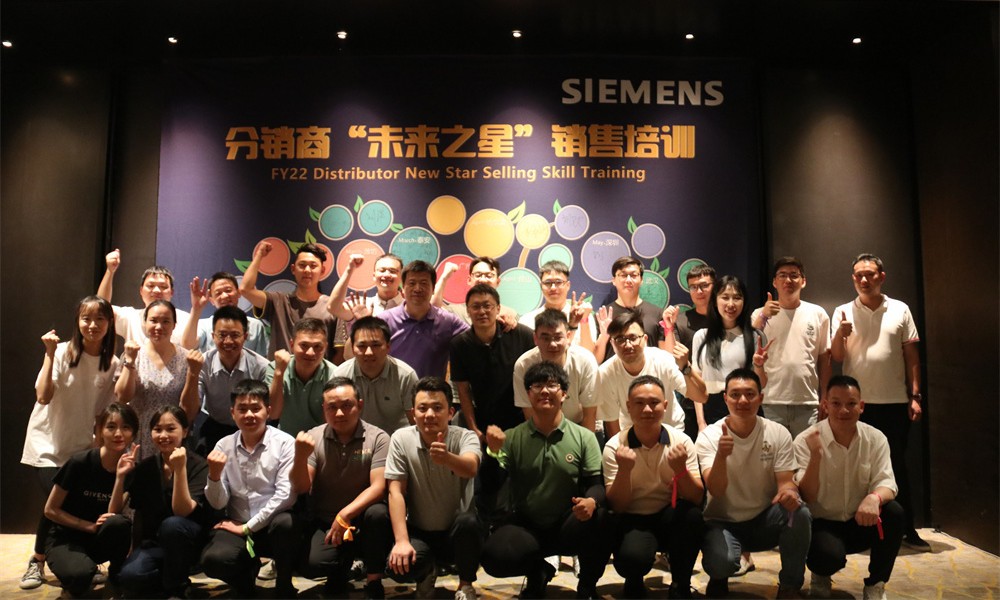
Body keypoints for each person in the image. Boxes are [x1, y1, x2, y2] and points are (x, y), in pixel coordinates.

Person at [481, 362, 610, 599]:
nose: (544, 391)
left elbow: (596, 484)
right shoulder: (512, 437)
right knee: (494, 557)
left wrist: (591, 501)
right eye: (537, 386)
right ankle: (537, 571)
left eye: (552, 385)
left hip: (569, 522)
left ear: (564, 394)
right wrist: (492, 453)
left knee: (601, 518)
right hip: (527, 524)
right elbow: (491, 484)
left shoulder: (584, 437)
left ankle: (587, 586)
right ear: (528, 394)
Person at [19, 296, 120, 591]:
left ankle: (78, 558)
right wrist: (49, 354)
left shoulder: (111, 363)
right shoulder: (62, 352)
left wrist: (99, 450)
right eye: (86, 318)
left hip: (80, 448)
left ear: (109, 323)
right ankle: (37, 560)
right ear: (77, 321)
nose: (93, 325)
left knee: (70, 504)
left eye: (100, 319)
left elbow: (103, 413)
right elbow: (43, 396)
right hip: (47, 444)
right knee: (56, 501)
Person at [831, 253, 928, 551]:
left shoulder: (900, 309)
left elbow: (911, 356)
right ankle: (860, 530)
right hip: (855, 406)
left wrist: (915, 396)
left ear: (881, 276)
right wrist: (840, 335)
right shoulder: (842, 311)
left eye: (870, 274)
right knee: (856, 467)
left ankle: (906, 529)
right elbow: (837, 357)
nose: (864, 279)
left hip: (894, 402)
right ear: (853, 279)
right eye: (859, 275)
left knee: (895, 465)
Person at [695, 368, 811, 598]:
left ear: (761, 398)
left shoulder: (777, 433)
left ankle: (789, 586)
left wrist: (789, 493)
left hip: (764, 519)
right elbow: (716, 490)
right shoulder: (709, 436)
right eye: (735, 394)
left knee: (799, 512)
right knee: (721, 563)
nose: (743, 400)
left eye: (750, 394)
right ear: (725, 398)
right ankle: (718, 578)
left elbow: (786, 483)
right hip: (722, 521)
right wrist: (721, 456)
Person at [794, 376, 903, 600]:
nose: (843, 410)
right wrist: (816, 456)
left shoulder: (875, 438)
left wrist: (874, 498)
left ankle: (876, 584)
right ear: (825, 406)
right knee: (826, 556)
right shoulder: (806, 440)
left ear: (861, 406)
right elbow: (808, 495)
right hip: (823, 524)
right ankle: (820, 574)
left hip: (861, 520)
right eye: (836, 403)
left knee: (894, 513)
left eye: (851, 403)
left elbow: (887, 483)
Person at [603, 376, 705, 599]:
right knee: (632, 560)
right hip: (633, 518)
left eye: (654, 402)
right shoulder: (615, 446)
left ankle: (680, 584)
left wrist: (680, 470)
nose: (647, 409)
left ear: (665, 405)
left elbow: (697, 497)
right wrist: (624, 471)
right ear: (628, 406)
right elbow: (617, 506)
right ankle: (634, 580)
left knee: (693, 517)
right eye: (639, 403)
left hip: (669, 515)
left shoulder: (681, 441)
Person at [290, 377, 391, 598]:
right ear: (323, 409)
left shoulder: (378, 438)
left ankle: (374, 581)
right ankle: (341, 571)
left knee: (378, 513)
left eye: (347, 405)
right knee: (312, 565)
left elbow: (379, 488)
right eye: (332, 407)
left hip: (363, 520)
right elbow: (301, 487)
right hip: (326, 521)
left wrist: (345, 514)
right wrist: (299, 457)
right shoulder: (313, 437)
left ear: (360, 405)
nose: (339, 413)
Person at [384, 377, 483, 600]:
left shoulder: (465, 436)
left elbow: (471, 467)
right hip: (420, 531)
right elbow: (395, 491)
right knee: (397, 567)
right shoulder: (401, 438)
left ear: (450, 412)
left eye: (438, 408)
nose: (429, 414)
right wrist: (401, 541)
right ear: (413, 413)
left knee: (469, 522)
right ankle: (427, 572)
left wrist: (447, 458)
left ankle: (465, 585)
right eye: (423, 408)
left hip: (457, 533)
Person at [200, 379, 298, 597]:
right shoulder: (223, 445)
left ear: (268, 411)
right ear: (232, 413)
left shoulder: (285, 443)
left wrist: (248, 527)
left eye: (256, 408)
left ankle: (284, 582)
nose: (249, 415)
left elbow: (286, 495)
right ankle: (246, 580)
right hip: (237, 522)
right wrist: (214, 475)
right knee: (213, 560)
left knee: (287, 523)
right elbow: (218, 503)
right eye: (242, 409)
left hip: (272, 525)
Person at [111, 406, 216, 598]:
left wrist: (180, 469)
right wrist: (120, 478)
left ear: (185, 431)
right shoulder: (145, 467)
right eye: (157, 429)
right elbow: (123, 512)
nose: (163, 435)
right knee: (130, 577)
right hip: (155, 544)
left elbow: (182, 511)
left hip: (189, 543)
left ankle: (177, 586)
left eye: (171, 429)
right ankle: (166, 579)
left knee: (172, 525)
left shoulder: (199, 465)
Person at [42, 403, 136, 597]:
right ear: (100, 431)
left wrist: (119, 478)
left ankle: (116, 574)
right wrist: (88, 526)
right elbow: (50, 510)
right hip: (65, 539)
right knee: (79, 576)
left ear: (133, 434)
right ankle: (81, 570)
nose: (118, 433)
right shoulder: (79, 462)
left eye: (126, 427)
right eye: (111, 427)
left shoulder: (130, 469)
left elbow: (113, 514)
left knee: (119, 523)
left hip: (97, 539)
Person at [751, 257, 832, 438]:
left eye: (794, 275)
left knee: (806, 453)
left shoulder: (817, 314)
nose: (788, 280)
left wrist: (825, 395)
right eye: (782, 275)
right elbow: (749, 346)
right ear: (774, 282)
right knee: (774, 453)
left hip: (807, 401)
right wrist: (763, 316)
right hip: (771, 401)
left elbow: (825, 359)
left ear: (803, 281)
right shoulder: (759, 314)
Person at [597, 312, 707, 437]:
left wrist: (686, 368)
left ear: (645, 339)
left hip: (671, 432)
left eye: (633, 338)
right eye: (620, 339)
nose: (627, 345)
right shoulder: (605, 373)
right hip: (631, 436)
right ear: (612, 343)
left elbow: (701, 397)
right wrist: (622, 447)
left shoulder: (663, 360)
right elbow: (612, 423)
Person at [450, 283, 535, 442]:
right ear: (468, 310)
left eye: (487, 306)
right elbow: (463, 391)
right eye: (475, 306)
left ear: (498, 308)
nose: (482, 311)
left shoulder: (521, 335)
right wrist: (474, 429)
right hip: (485, 425)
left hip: (522, 423)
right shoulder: (459, 345)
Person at [357, 260, 469, 379]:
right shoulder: (385, 320)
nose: (417, 288)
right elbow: (350, 355)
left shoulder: (447, 321)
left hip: (430, 390)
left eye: (424, 283)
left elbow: (474, 342)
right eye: (412, 283)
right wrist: (362, 324)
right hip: (392, 389)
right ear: (402, 288)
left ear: (433, 288)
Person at [116, 300, 199, 459]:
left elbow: (190, 411)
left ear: (174, 325)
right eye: (153, 320)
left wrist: (194, 373)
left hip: (172, 437)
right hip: (139, 436)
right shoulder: (133, 354)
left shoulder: (187, 359)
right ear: (145, 323)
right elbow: (122, 397)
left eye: (166, 321)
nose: (159, 327)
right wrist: (130, 361)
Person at [690, 276, 771, 433]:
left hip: (745, 404)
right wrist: (701, 422)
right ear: (715, 301)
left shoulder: (755, 336)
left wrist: (759, 365)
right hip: (712, 407)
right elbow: (697, 383)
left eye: (737, 298)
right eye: (725, 297)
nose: (731, 304)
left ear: (744, 302)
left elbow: (761, 384)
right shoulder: (701, 336)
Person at [240, 240, 342, 360]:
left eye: (313, 266)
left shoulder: (333, 307)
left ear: (322, 271)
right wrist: (259, 255)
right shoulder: (278, 301)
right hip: (280, 371)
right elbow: (245, 289)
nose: (307, 270)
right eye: (302, 265)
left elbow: (340, 353)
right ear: (293, 269)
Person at [188, 305, 270, 453]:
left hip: (252, 429)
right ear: (213, 336)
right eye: (222, 335)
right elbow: (190, 411)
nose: (228, 341)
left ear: (245, 336)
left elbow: (270, 411)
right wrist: (192, 374)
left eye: (235, 335)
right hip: (215, 428)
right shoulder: (203, 364)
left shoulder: (261, 366)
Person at [513, 309, 599, 432]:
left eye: (558, 337)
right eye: (546, 338)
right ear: (535, 338)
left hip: (579, 425)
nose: (552, 344)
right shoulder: (523, 365)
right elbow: (529, 414)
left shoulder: (585, 361)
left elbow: (589, 414)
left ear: (568, 336)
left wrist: (585, 442)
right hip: (541, 427)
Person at [333, 316, 418, 435]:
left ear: (388, 347)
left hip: (394, 440)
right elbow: (335, 419)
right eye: (362, 346)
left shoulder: (406, 375)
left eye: (376, 345)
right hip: (354, 439)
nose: (369, 352)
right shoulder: (341, 375)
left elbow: (415, 423)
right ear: (352, 348)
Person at [661, 263, 715, 441]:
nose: (699, 291)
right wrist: (669, 327)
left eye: (704, 285)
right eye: (693, 287)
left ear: (715, 286)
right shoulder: (682, 320)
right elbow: (671, 356)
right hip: (690, 397)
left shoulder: (726, 319)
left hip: (720, 395)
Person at [97, 248, 191, 346]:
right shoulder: (131, 317)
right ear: (141, 291)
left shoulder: (186, 320)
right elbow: (102, 308)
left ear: (172, 292)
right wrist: (110, 271)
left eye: (163, 287)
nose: (157, 290)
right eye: (150, 286)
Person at [267, 317, 336, 436]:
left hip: (322, 440)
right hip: (285, 439)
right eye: (304, 345)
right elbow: (273, 414)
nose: (310, 353)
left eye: (317, 346)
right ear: (292, 344)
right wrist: (279, 372)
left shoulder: (335, 374)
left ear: (325, 347)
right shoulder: (276, 367)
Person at [328, 253, 405, 355]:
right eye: (382, 270)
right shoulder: (361, 305)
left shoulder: (408, 308)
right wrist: (350, 269)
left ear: (401, 277)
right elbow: (333, 307)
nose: (386, 275)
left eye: (392, 271)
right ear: (374, 276)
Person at [593, 256, 665, 363]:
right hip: (613, 373)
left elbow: (666, 358)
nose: (628, 280)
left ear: (641, 280)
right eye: (623, 275)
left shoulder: (657, 314)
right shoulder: (602, 317)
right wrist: (604, 336)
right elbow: (595, 361)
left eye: (633, 275)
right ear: (614, 280)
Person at [181, 272, 269, 356]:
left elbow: (263, 360)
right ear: (211, 300)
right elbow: (187, 346)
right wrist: (196, 309)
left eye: (228, 290)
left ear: (238, 293)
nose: (224, 296)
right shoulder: (204, 325)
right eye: (218, 293)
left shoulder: (256, 325)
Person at [518, 260, 597, 350]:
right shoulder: (527, 320)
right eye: (548, 283)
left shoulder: (583, 316)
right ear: (541, 286)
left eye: (558, 282)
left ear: (568, 285)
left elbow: (590, 353)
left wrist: (583, 320)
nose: (553, 288)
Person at [438, 256, 519, 326]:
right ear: (469, 280)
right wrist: (444, 277)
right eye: (478, 275)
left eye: (489, 276)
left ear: (498, 282)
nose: (483, 280)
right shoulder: (455, 311)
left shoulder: (509, 314)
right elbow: (433, 312)